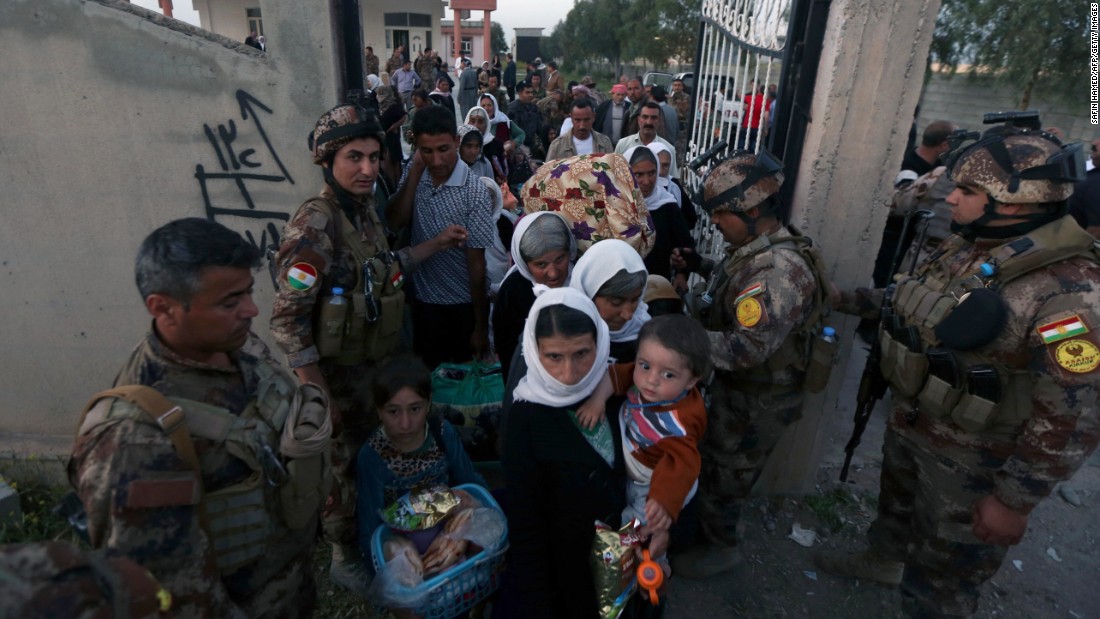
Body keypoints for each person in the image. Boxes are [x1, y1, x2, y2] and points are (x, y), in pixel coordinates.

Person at [817, 127, 1100, 618]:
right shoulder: (974, 246)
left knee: (942, 584)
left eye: (967, 191)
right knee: (896, 513)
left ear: (1012, 202)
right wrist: (845, 300)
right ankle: (883, 558)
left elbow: (1075, 412)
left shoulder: (1071, 291)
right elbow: (916, 299)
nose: (952, 198)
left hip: (972, 464)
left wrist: (1013, 500)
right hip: (915, 425)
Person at [71, 218, 324, 616]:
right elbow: (172, 596)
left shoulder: (241, 346)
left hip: (292, 586)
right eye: (230, 302)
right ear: (163, 308)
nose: (251, 309)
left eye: (248, 293)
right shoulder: (133, 440)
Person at [271, 104, 466, 594]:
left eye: (374, 157)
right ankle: (344, 555)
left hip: (373, 370)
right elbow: (288, 318)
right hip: (338, 378)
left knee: (370, 460)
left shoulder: (363, 214)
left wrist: (437, 244)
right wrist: (317, 394)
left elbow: (387, 266)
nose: (366, 169)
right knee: (344, 468)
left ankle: (376, 540)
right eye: (353, 157)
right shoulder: (316, 224)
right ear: (328, 162)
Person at [670, 150, 829, 580]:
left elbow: (745, 348)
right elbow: (736, 284)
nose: (716, 222)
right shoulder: (756, 247)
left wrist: (675, 340)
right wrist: (700, 264)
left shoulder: (777, 270)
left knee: (726, 475)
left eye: (722, 213)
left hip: (757, 399)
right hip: (743, 392)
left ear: (754, 210)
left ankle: (722, 548)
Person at [503, 286, 638, 618]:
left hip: (632, 552)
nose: (569, 373)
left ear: (600, 342)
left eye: (582, 353)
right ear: (534, 352)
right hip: (567, 572)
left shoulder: (620, 387)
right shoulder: (525, 417)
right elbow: (526, 522)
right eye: (553, 357)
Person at [581, 314, 712, 577]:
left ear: (691, 381)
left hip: (657, 482)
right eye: (645, 366)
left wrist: (663, 502)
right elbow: (614, 376)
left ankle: (651, 561)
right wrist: (597, 400)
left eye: (668, 374)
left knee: (641, 525)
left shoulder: (680, 423)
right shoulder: (641, 377)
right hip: (639, 457)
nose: (651, 379)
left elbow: (683, 465)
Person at [387, 104, 495, 369]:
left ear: (457, 142)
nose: (436, 161)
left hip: (461, 308)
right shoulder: (417, 173)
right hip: (421, 305)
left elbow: (477, 264)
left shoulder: (474, 192)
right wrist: (414, 172)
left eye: (443, 150)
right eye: (427, 151)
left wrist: (480, 327)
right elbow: (394, 220)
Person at [355, 355, 487, 565]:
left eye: (415, 409)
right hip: (403, 545)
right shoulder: (373, 457)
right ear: (379, 411)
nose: (405, 423)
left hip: (451, 529)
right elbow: (370, 530)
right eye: (393, 411)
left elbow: (470, 482)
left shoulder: (442, 433)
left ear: (428, 403)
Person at [493, 211, 577, 381]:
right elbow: (507, 349)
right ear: (524, 263)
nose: (553, 273)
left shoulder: (583, 279)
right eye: (541, 264)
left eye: (560, 259)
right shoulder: (513, 291)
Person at [570, 239, 651, 362]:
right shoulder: (563, 337)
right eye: (616, 303)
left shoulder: (650, 337)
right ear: (589, 295)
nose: (628, 315)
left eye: (636, 300)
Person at [624, 146, 694, 280]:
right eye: (639, 174)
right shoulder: (615, 206)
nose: (647, 181)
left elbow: (686, 245)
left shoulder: (668, 205)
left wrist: (681, 273)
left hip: (657, 284)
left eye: (651, 173)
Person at [545, 97, 614, 161]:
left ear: (594, 117)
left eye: (586, 120)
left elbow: (611, 170)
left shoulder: (605, 143)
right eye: (577, 120)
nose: (582, 126)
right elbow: (548, 172)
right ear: (571, 118)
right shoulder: (557, 146)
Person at [464, 106, 504, 175]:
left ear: (486, 125)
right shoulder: (461, 144)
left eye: (480, 122)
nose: (476, 125)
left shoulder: (496, 145)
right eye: (472, 121)